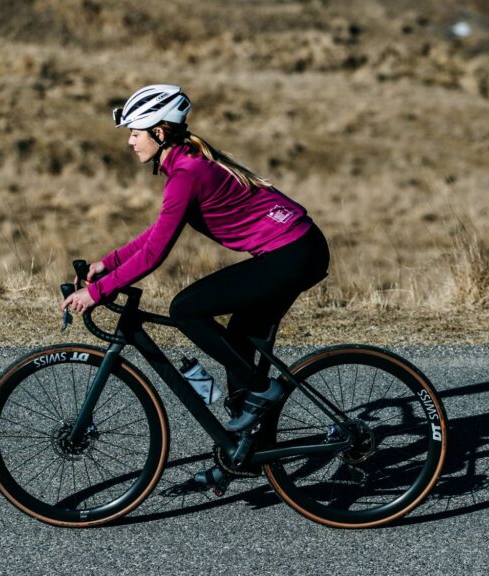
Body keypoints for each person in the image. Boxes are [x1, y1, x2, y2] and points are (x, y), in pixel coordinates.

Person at [59, 84, 330, 433]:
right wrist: (108, 263)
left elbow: (154, 254)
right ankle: (248, 443)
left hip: (293, 252)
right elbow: (158, 232)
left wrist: (96, 292)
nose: (130, 141)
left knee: (185, 309)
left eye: (135, 133)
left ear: (159, 133)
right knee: (239, 339)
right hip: (296, 249)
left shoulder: (187, 175)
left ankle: (264, 391)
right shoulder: (187, 163)